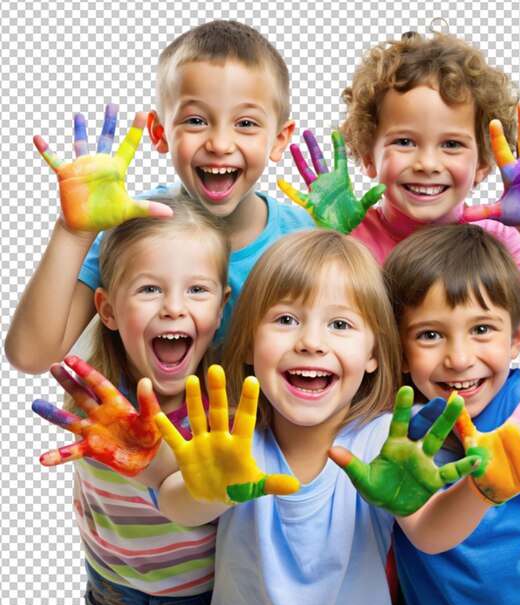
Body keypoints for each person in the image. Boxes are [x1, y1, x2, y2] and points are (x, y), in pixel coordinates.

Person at [152, 229, 520, 605]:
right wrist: (206, 489)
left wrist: (481, 489)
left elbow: (430, 534)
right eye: (286, 320)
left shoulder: (386, 440)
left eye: (340, 324)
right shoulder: (231, 441)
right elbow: (177, 507)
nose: (310, 341)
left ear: (374, 355)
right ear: (249, 341)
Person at [279, 28, 520, 362]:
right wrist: (329, 239)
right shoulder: (352, 236)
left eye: (451, 144)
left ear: (483, 163)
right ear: (368, 156)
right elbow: (299, 334)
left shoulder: (496, 244)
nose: (427, 163)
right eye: (404, 142)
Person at [5, 19, 313, 374]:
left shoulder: (300, 236)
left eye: (245, 123)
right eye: (196, 121)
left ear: (279, 139)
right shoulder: (133, 225)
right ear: (159, 132)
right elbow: (31, 356)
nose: (220, 144)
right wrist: (73, 233)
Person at [31, 192, 231, 605]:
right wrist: (71, 230)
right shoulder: (96, 388)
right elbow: (30, 348)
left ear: (221, 309)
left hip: (205, 600)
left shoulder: (228, 406)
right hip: (111, 594)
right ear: (107, 310)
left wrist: (153, 463)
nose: (174, 306)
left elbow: (205, 502)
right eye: (149, 289)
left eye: (197, 289)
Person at [383, 223, 520, 605]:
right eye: (430, 335)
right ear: (397, 350)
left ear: (516, 338)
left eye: (481, 330)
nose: (460, 358)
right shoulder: (398, 432)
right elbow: (423, 533)